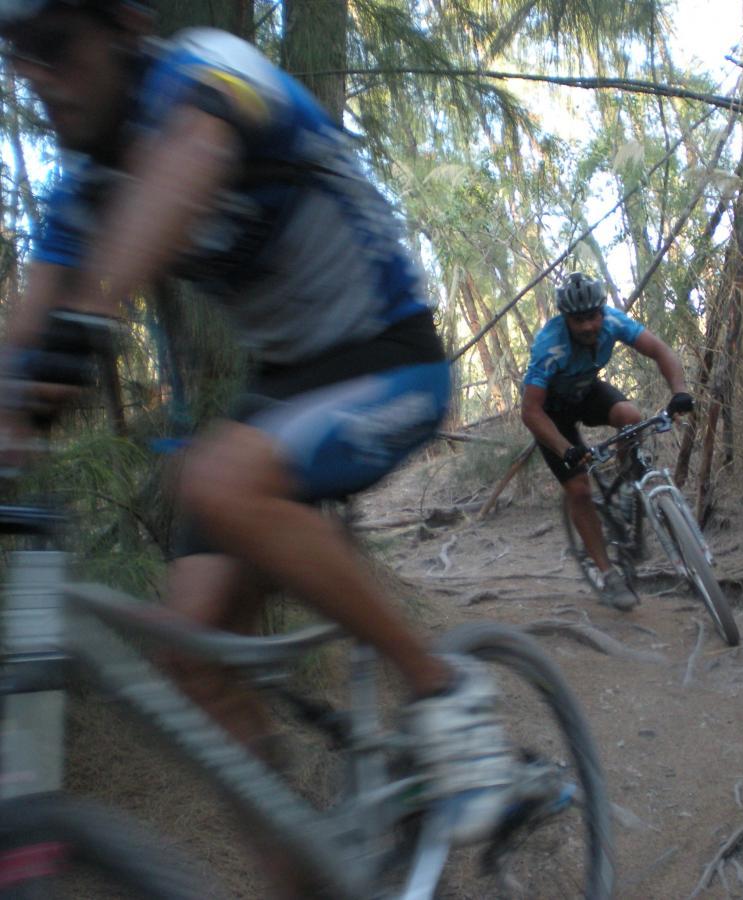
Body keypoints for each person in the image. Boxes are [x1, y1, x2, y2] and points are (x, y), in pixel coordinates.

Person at [0, 0, 515, 848]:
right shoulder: (84, 189)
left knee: (213, 476)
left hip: (391, 357)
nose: (39, 80)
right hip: (279, 392)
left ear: (124, 27)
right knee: (191, 657)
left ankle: (440, 686)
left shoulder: (204, 69)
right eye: (18, 57)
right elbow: (26, 335)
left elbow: (195, 153)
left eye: (55, 45)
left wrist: (90, 312)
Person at [521, 272, 694, 611]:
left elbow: (661, 351)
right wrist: (566, 450)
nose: (588, 326)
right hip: (551, 414)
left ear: (602, 311)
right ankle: (606, 573)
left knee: (630, 416)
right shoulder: (549, 346)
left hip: (585, 393)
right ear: (565, 318)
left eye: (593, 316)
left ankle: (628, 486)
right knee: (579, 490)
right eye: (578, 319)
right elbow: (530, 412)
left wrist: (681, 392)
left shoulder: (614, 322)